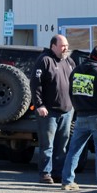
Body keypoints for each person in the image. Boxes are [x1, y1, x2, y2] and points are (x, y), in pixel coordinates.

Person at [61, 45, 97, 193]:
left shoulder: (76, 71)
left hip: (81, 116)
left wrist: (78, 109)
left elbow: (71, 93)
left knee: (74, 149)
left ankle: (67, 181)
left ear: (90, 55)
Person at [31, 34, 75, 184]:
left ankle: (58, 173)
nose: (66, 48)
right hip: (49, 111)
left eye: (67, 45)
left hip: (67, 111)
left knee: (62, 145)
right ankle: (45, 173)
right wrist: (40, 105)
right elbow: (36, 84)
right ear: (53, 46)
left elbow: (76, 84)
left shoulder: (69, 61)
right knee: (47, 144)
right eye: (63, 46)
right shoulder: (45, 60)